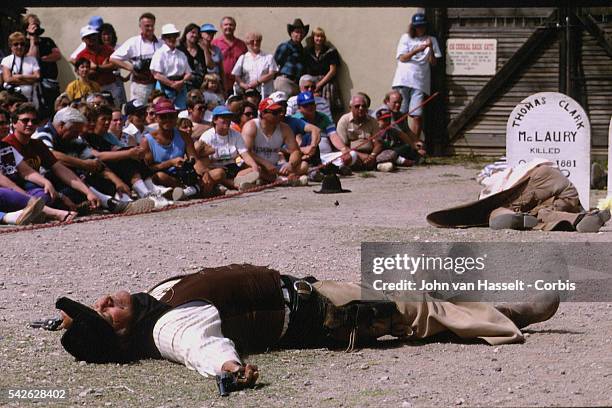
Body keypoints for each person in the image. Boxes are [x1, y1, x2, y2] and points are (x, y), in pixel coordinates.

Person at [53, 263, 560, 390]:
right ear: (122, 334)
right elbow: (199, 347)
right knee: (417, 312)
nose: (106, 299)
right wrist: (228, 368)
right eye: (105, 312)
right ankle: (510, 317)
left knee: (418, 304)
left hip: (312, 293)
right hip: (326, 316)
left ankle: (497, 312)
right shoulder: (170, 327)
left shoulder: (152, 304)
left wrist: (64, 324)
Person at [427, 159, 612, 233]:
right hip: (562, 189)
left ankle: (508, 216)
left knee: (499, 211)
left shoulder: (494, 180)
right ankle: (581, 219)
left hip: (536, 179)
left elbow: (485, 175)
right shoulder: (513, 166)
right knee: (543, 214)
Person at [30, 106, 153, 214]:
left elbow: (95, 162)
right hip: (46, 181)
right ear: (61, 125)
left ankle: (122, 200)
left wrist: (117, 182)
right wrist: (83, 164)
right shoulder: (43, 134)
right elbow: (51, 156)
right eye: (74, 131)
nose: (77, 135)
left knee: (104, 177)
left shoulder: (74, 139)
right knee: (72, 175)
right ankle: (110, 203)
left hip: (73, 180)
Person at [2, 103, 101, 212]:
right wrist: (60, 196)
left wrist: (88, 192)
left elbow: (60, 169)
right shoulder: (7, 145)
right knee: (46, 194)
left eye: (34, 121)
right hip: (19, 191)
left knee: (77, 188)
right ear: (14, 123)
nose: (30, 124)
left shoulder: (37, 144)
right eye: (25, 120)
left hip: (38, 187)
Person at [140, 98, 222, 201]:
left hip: (185, 175)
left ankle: (187, 192)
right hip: (166, 177)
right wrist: (170, 163)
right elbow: (149, 169)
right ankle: (195, 191)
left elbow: (195, 159)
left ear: (176, 117)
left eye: (171, 116)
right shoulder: (147, 140)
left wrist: (204, 173)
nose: (167, 119)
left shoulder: (184, 136)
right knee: (159, 176)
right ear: (156, 118)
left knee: (219, 173)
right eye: (163, 117)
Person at [0, 137, 75, 223]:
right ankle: (54, 213)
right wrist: (26, 197)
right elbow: (6, 183)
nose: (3, 126)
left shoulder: (5, 147)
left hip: (16, 194)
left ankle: (27, 213)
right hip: (6, 193)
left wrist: (46, 182)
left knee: (44, 195)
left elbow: (26, 172)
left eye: (5, 123)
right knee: (3, 193)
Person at [391, 13, 441, 138]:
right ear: (413, 27)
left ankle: (415, 145)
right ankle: (401, 143)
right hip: (403, 80)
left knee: (417, 115)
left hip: (420, 82)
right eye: (418, 26)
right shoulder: (406, 38)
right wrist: (416, 50)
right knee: (400, 114)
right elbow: (402, 58)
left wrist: (430, 48)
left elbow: (434, 63)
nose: (420, 29)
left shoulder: (431, 39)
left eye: (423, 26)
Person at [238, 98, 308, 187]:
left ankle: (267, 180)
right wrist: (265, 163)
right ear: (263, 114)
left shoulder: (284, 128)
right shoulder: (251, 126)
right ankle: (281, 179)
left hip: (274, 167)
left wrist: (290, 164)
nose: (280, 115)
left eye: (280, 111)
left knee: (303, 166)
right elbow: (245, 152)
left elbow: (295, 151)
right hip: (256, 165)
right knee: (256, 169)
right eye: (275, 113)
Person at [195, 105, 258, 190]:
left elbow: (245, 154)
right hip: (215, 167)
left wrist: (254, 166)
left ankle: (236, 182)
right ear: (215, 120)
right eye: (223, 117)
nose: (227, 120)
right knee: (219, 174)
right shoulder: (207, 136)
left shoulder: (236, 134)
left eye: (229, 117)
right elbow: (201, 159)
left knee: (255, 169)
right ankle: (235, 184)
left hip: (233, 167)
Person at [110, 13, 163, 105]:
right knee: (139, 111)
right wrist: (129, 67)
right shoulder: (133, 42)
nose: (150, 28)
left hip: (158, 85)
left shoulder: (160, 43)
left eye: (152, 25)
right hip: (140, 86)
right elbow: (113, 58)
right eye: (147, 26)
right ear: (140, 26)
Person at [23, 13, 61, 119]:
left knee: (53, 110)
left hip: (50, 83)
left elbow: (57, 55)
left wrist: (43, 59)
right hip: (34, 84)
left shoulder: (47, 41)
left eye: (37, 24)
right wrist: (32, 40)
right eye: (33, 25)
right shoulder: (24, 43)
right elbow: (32, 58)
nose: (36, 27)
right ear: (27, 27)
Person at [75, 25, 121, 107]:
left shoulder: (108, 49)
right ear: (83, 39)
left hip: (111, 87)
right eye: (88, 36)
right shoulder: (81, 56)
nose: (92, 38)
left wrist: (96, 67)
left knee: (115, 111)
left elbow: (116, 65)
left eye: (93, 35)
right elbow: (86, 74)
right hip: (92, 89)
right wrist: (105, 67)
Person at [150, 24, 192, 110]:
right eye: (169, 36)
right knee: (164, 110)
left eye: (174, 36)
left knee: (181, 112)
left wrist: (181, 82)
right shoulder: (159, 53)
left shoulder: (181, 54)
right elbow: (156, 74)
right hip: (164, 87)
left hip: (180, 87)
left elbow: (189, 73)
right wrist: (172, 84)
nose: (172, 39)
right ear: (164, 38)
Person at [304, 27, 342, 119]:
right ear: (313, 37)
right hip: (312, 83)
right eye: (317, 36)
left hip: (327, 83)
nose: (319, 39)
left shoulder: (331, 51)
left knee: (328, 109)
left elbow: (333, 70)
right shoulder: (307, 51)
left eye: (321, 36)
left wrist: (320, 84)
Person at [336, 94, 382, 170]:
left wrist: (372, 155)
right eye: (357, 106)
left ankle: (371, 164)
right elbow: (342, 146)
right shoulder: (344, 121)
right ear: (350, 108)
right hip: (353, 153)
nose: (361, 108)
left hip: (370, 154)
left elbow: (378, 144)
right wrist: (360, 155)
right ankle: (376, 166)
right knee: (346, 158)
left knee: (390, 154)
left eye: (363, 106)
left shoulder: (373, 121)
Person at [231, 32, 277, 99]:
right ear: (247, 43)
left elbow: (272, 74)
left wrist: (258, 81)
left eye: (258, 41)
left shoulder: (268, 57)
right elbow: (236, 76)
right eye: (252, 41)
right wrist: (244, 85)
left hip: (265, 92)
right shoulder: (243, 58)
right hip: (248, 92)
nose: (255, 43)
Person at [1, 32, 41, 108]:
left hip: (31, 99)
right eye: (16, 44)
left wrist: (20, 76)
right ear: (10, 46)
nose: (19, 46)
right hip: (13, 100)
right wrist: (30, 80)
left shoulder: (32, 60)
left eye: (22, 44)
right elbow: (8, 79)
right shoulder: (6, 60)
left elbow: (38, 77)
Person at [211, 16, 248, 96]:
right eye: (226, 25)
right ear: (221, 27)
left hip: (238, 83)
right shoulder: (215, 43)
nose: (228, 27)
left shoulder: (241, 44)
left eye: (231, 25)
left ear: (234, 27)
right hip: (219, 83)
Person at [273, 19, 309, 97]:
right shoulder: (285, 46)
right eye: (297, 32)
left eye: (301, 32)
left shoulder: (302, 49)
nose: (299, 34)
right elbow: (274, 64)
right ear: (291, 33)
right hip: (285, 81)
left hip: (296, 84)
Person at [177, 23, 206, 91]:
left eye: (197, 33)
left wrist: (205, 50)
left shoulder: (201, 49)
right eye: (192, 32)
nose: (195, 35)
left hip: (200, 86)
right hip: (184, 85)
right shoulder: (179, 49)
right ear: (186, 33)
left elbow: (209, 65)